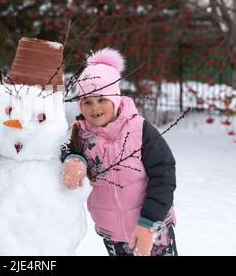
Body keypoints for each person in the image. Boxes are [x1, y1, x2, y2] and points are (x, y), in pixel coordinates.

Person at [61, 48, 178, 256]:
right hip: (113, 234)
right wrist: (72, 159)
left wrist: (149, 222)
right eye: (87, 101)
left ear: (114, 98)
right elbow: (65, 152)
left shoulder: (140, 130)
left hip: (153, 229)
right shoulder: (80, 134)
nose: (94, 107)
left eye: (101, 99)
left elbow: (164, 175)